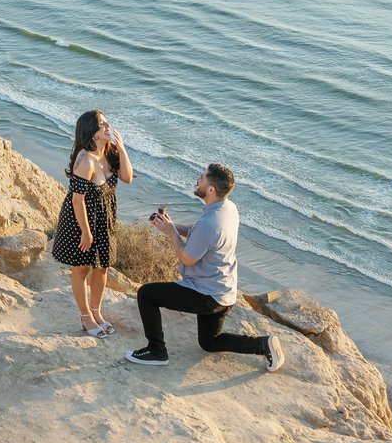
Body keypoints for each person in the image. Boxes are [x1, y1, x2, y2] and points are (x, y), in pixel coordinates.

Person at [125, 162, 284, 371]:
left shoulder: (211, 223)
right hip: (224, 291)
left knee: (146, 294)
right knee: (209, 342)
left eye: (202, 177)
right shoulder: (227, 208)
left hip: (206, 294)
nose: (198, 179)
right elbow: (198, 233)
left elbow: (187, 258)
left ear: (211, 189)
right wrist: (170, 226)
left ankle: (156, 351)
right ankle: (263, 344)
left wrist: (172, 232)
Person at [51, 109, 134, 336]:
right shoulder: (85, 160)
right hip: (82, 219)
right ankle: (86, 316)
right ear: (92, 132)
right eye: (102, 125)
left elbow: (127, 177)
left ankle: (97, 312)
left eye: (107, 122)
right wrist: (86, 233)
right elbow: (77, 201)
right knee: (82, 268)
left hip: (105, 218)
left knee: (103, 267)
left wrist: (122, 148)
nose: (108, 127)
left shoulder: (111, 152)